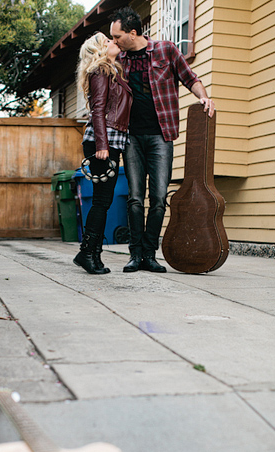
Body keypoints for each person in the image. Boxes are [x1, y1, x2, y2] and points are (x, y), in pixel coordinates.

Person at [109, 7, 215, 273]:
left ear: (133, 33)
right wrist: (108, 59)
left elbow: (190, 78)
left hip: (160, 136)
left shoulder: (165, 50)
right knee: (134, 197)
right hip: (131, 136)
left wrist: (203, 97)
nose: (113, 41)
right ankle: (134, 254)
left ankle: (149, 254)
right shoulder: (118, 58)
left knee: (157, 198)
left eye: (117, 36)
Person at [73, 32, 133, 275]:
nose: (113, 42)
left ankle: (92, 255)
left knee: (104, 201)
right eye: (108, 41)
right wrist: (102, 146)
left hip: (110, 141)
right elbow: (98, 110)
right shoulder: (101, 71)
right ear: (99, 50)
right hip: (103, 142)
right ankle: (87, 253)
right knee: (101, 201)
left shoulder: (113, 72)